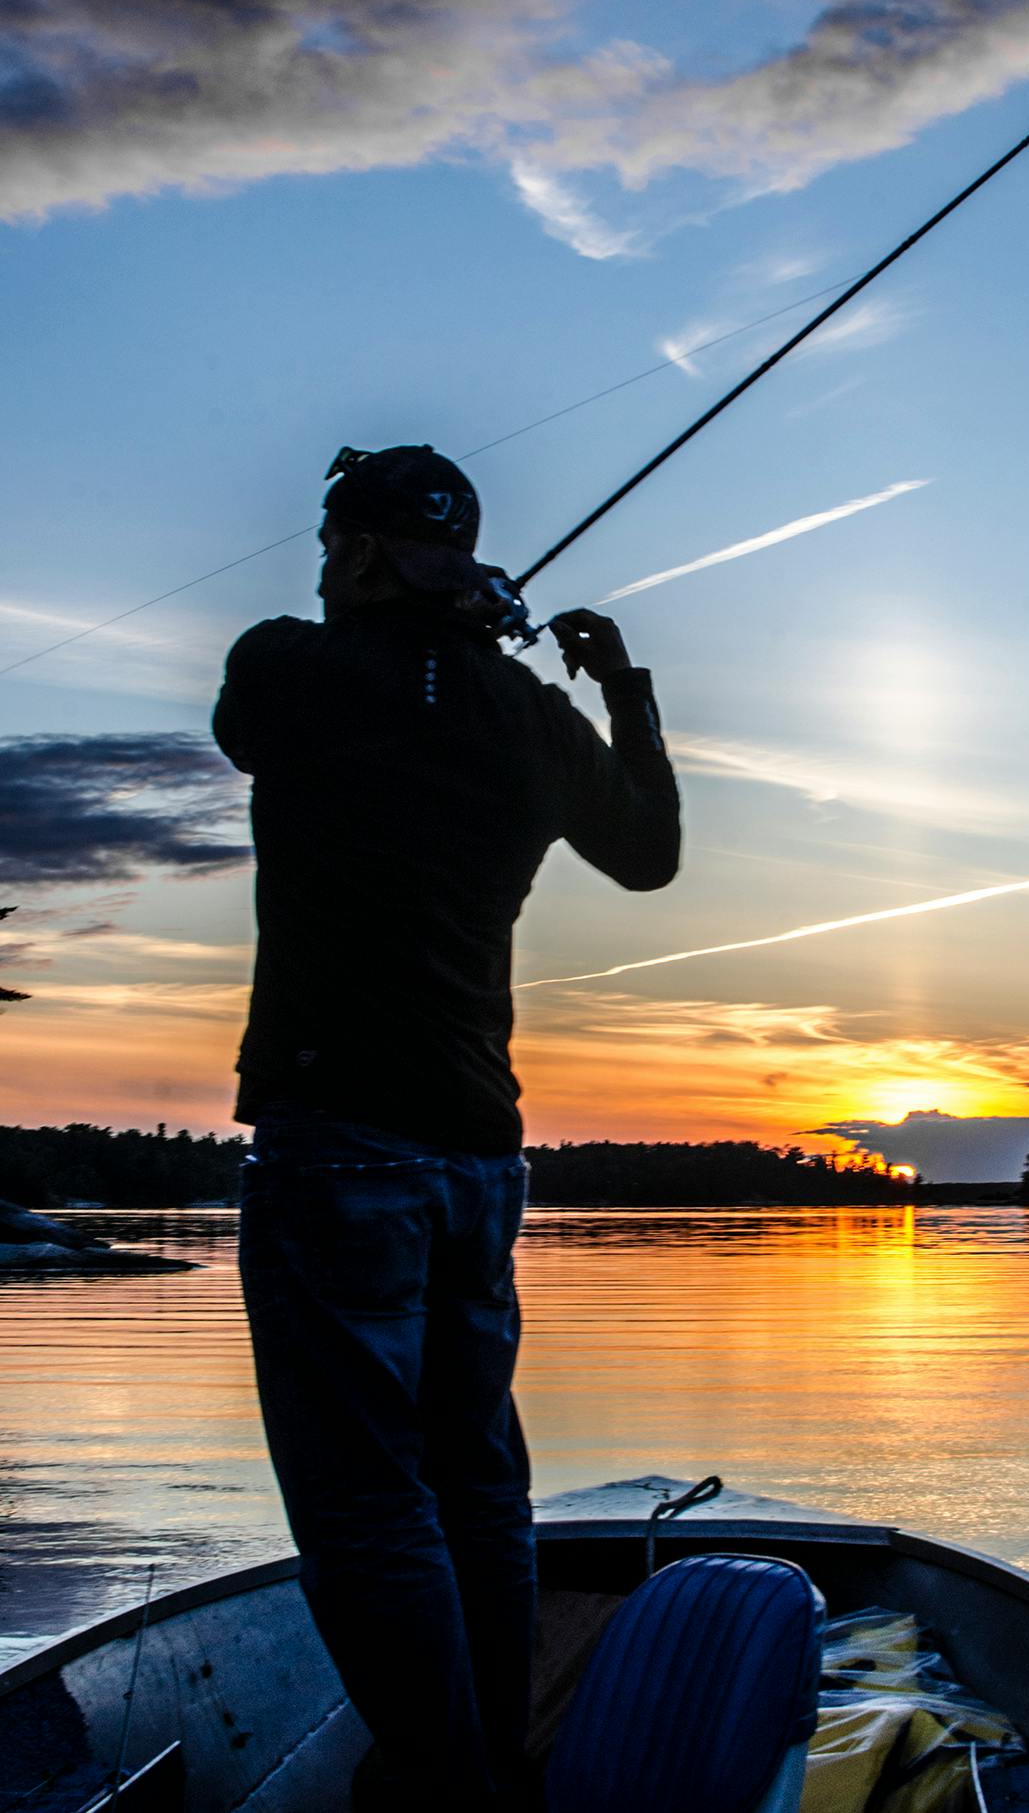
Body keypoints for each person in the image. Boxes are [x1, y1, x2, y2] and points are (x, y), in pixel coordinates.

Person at [211, 444, 681, 1809]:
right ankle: (484, 1766)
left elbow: (255, 711)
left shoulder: (294, 668)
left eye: (329, 544)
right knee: (474, 1486)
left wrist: (429, 618)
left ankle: (445, 1783)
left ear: (355, 553)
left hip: (337, 1143)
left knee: (367, 1504)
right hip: (481, 1159)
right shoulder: (529, 715)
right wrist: (622, 693)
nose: (317, 566)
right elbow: (647, 850)